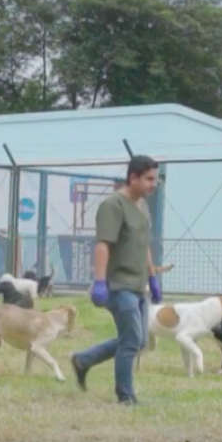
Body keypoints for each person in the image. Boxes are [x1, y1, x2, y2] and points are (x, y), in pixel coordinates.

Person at [70, 155, 163, 406]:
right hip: (118, 285)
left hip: (138, 285)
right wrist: (100, 282)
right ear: (133, 177)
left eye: (157, 179)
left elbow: (143, 245)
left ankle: (84, 359)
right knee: (132, 340)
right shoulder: (113, 205)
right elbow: (103, 245)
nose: (155, 184)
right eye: (150, 179)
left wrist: (153, 277)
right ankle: (125, 396)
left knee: (139, 340)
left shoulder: (142, 206)